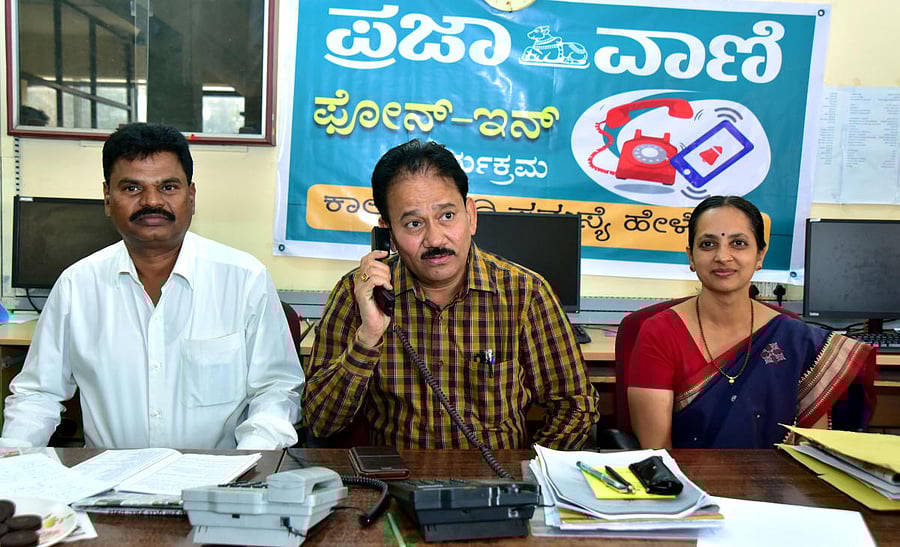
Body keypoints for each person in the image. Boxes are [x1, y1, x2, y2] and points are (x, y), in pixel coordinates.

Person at [0, 122, 304, 449]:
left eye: (168, 187)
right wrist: (14, 466)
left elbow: (276, 390)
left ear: (191, 195)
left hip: (218, 485)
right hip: (105, 486)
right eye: (132, 188)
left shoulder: (244, 279)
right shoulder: (77, 285)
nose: (151, 201)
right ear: (107, 197)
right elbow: (38, 394)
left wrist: (244, 467)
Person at [304, 139, 598, 449]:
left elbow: (575, 406)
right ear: (387, 233)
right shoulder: (358, 294)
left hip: (496, 485)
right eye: (414, 223)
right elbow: (321, 423)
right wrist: (368, 337)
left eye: (447, 216)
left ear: (471, 215)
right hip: (396, 482)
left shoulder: (525, 293)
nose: (435, 238)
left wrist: (530, 477)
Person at [627, 195, 876, 449]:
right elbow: (657, 454)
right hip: (687, 484)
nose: (723, 256)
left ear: (760, 255)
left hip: (780, 485)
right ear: (691, 257)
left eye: (738, 243)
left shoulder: (795, 339)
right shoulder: (660, 332)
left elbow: (812, 453)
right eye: (708, 244)